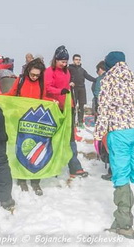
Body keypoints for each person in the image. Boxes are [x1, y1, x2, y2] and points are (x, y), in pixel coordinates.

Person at [95, 52, 134, 238]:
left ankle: (124, 224)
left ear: (109, 66)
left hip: (119, 132)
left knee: (121, 176)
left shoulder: (108, 80)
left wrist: (99, 134)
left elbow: (104, 108)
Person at [5, 58, 49, 195]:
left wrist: (53, 102)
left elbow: (43, 99)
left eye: (38, 75)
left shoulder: (41, 83)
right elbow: (11, 95)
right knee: (21, 147)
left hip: (35, 122)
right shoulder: (21, 80)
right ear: (28, 71)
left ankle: (36, 181)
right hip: (21, 120)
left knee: (36, 149)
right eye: (33, 74)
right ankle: (22, 178)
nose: (35, 77)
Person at [45, 45, 88, 178]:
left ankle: (75, 166)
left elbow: (66, 85)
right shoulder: (49, 71)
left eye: (66, 62)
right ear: (56, 60)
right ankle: (51, 166)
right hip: (55, 107)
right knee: (53, 137)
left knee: (70, 137)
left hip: (68, 106)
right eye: (62, 61)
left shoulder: (66, 71)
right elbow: (47, 87)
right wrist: (59, 91)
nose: (64, 64)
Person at [68, 54, 96, 128]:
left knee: (81, 106)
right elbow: (65, 77)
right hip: (73, 88)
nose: (78, 61)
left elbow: (88, 76)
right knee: (73, 106)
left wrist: (96, 79)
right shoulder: (69, 69)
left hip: (82, 89)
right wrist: (69, 82)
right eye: (76, 59)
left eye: (79, 60)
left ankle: (80, 122)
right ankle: (72, 122)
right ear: (73, 60)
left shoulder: (82, 70)